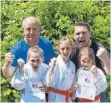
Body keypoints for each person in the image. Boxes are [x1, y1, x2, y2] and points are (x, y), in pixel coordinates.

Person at [70, 22, 110, 102]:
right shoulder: (72, 50)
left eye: (84, 32)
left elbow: (110, 72)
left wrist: (105, 57)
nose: (81, 36)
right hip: (81, 92)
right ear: (74, 36)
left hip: (97, 91)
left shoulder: (99, 48)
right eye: (78, 33)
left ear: (90, 34)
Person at [45, 36, 76, 102]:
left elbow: (73, 85)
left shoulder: (72, 66)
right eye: (62, 49)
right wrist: (52, 68)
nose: (65, 51)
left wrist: (73, 97)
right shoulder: (54, 62)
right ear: (58, 49)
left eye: (68, 48)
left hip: (66, 98)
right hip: (54, 98)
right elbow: (47, 83)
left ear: (72, 49)